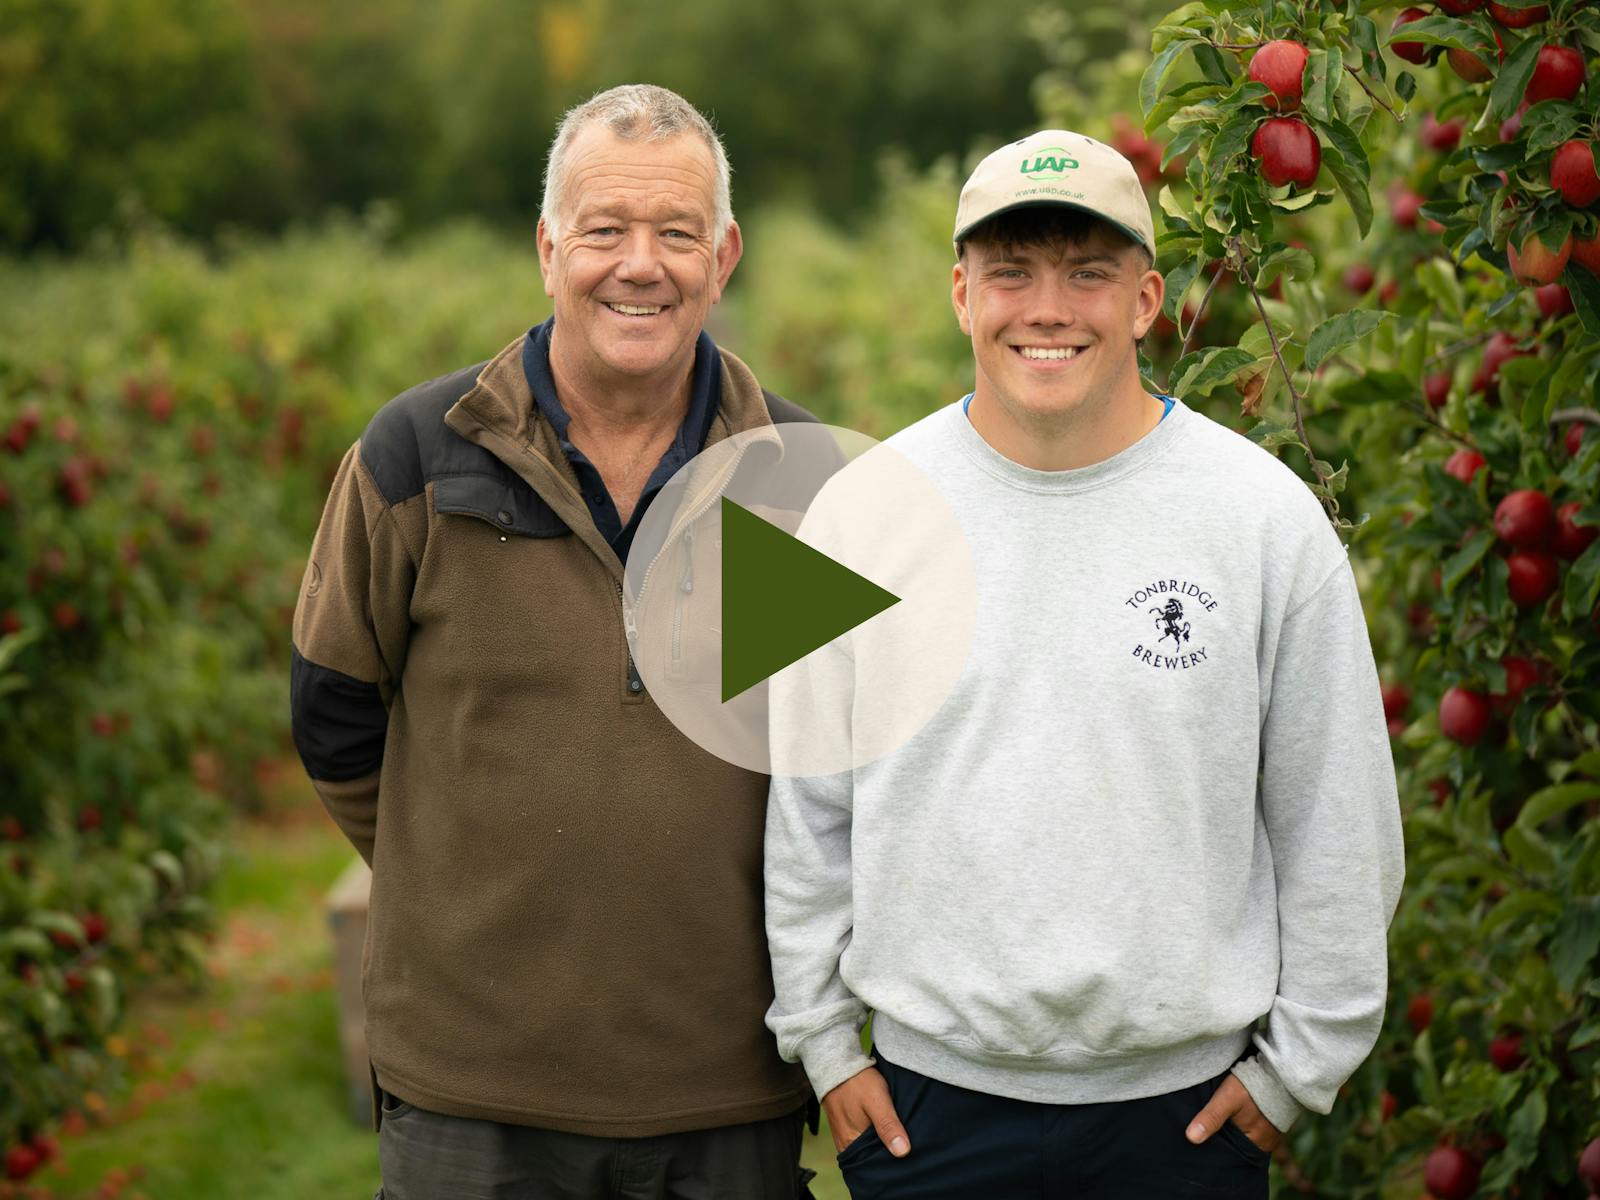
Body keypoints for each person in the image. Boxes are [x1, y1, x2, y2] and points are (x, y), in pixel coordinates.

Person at [762, 129, 1406, 1199]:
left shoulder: (1259, 520)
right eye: (1010, 272)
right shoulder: (862, 513)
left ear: (1147, 299)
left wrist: (1298, 1074)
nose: (1046, 307)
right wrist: (826, 1044)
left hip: (1186, 1124)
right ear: (961, 293)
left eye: (1087, 272)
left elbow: (1338, 821)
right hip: (926, 1118)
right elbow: (805, 814)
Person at [291, 83, 819, 1200]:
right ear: (547, 248)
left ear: (723, 257)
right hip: (470, 1094)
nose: (641, 264)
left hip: (727, 1083)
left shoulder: (802, 478)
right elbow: (331, 709)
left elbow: (850, 763)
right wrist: (459, 875)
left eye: (676, 233)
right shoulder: (417, 457)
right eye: (604, 230)